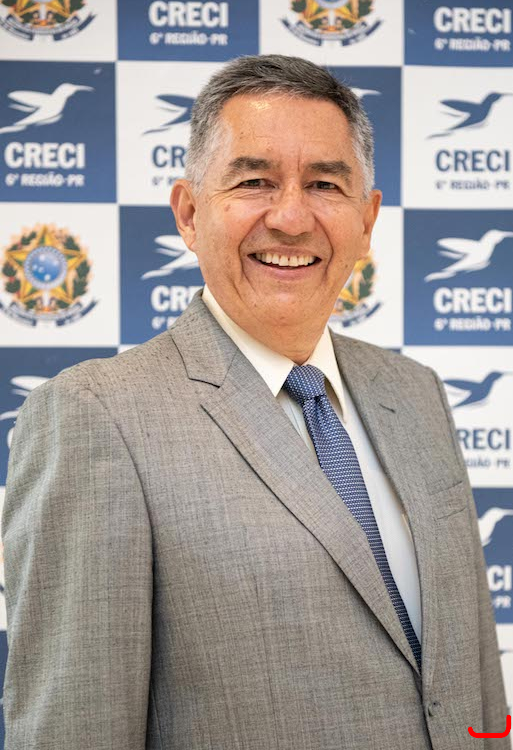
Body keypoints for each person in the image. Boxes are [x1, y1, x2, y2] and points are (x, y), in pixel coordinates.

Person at [2, 55, 508, 750]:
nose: (291, 218)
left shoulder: (414, 391)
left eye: (324, 184)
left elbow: (473, 676)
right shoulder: (96, 415)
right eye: (253, 182)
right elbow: (76, 726)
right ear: (188, 213)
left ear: (366, 220)